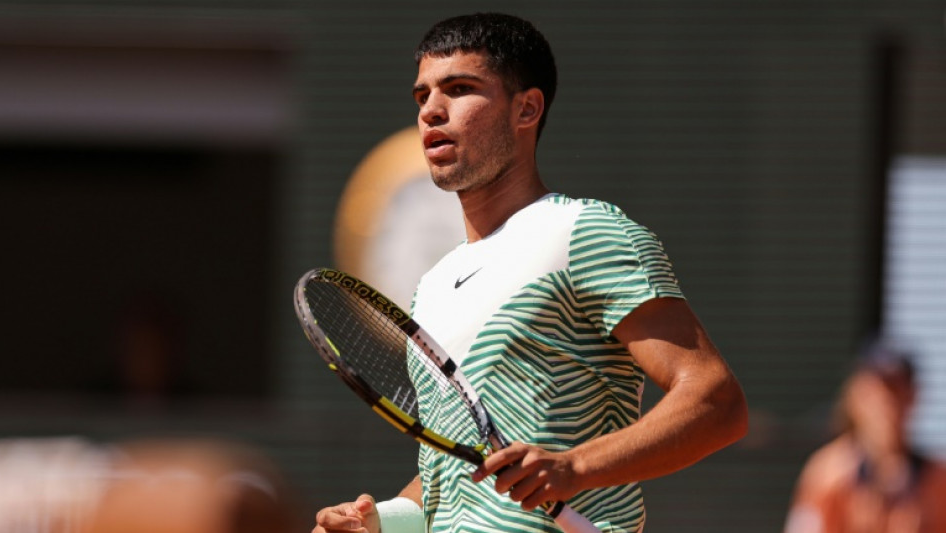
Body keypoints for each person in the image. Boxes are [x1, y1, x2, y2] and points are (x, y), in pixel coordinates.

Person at [314, 12, 748, 533]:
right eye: (422, 95)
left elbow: (716, 401)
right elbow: (455, 476)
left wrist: (575, 466)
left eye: (459, 88)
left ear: (527, 109)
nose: (431, 110)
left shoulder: (585, 231)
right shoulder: (430, 289)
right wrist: (379, 522)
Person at [784, 343, 946, 533]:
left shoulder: (937, 481)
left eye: (897, 390)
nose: (887, 404)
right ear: (856, 396)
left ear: (913, 396)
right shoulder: (829, 474)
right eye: (878, 392)